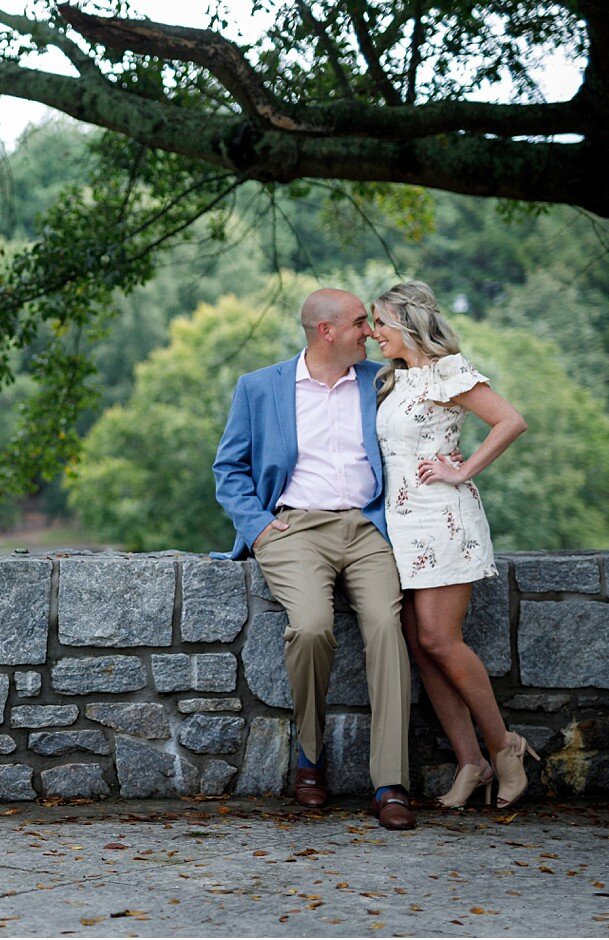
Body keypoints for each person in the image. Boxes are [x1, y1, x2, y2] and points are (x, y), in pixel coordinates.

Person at [213, 288, 416, 831]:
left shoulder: (381, 381)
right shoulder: (260, 388)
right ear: (326, 331)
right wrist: (257, 530)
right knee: (309, 628)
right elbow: (228, 470)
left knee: (385, 627)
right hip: (293, 528)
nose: (369, 332)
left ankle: (390, 781)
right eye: (358, 323)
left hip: (368, 526)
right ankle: (310, 754)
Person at [369, 280, 536, 809]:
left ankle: (506, 748)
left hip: (444, 520)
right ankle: (472, 764)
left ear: (405, 322)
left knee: (441, 639)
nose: (373, 333)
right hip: (403, 525)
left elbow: (511, 421)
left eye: (379, 323)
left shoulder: (449, 370)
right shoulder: (394, 380)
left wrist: (461, 470)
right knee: (420, 645)